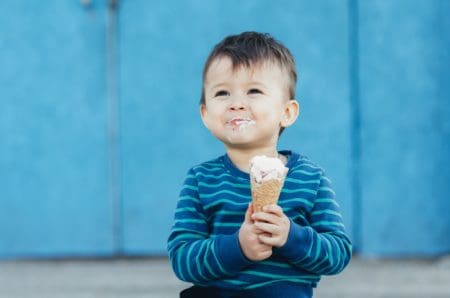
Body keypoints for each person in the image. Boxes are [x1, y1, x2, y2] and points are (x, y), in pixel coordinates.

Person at [167, 31, 352, 298]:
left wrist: (291, 237)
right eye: (222, 93)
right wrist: (237, 246)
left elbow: (337, 254)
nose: (237, 104)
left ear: (287, 112)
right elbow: (183, 260)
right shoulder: (200, 180)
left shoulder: (311, 179)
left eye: (253, 91)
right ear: (206, 115)